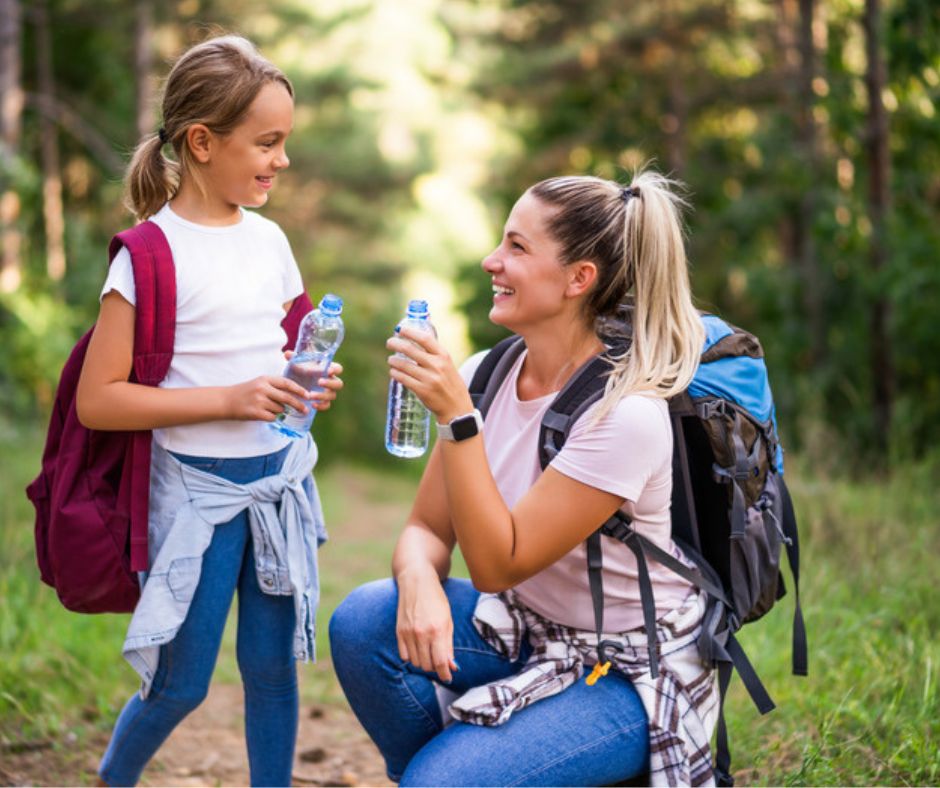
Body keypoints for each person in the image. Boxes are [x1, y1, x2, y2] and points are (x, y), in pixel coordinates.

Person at [330, 171, 722, 786]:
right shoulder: (487, 372)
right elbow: (425, 528)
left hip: (622, 672)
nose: (492, 261)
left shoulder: (626, 415)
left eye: (517, 247)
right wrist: (419, 583)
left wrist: (459, 420)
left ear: (578, 279)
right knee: (362, 622)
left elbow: (496, 565)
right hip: (521, 630)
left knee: (442, 783)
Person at [76, 35, 343, 787]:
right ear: (201, 142)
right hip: (198, 500)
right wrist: (228, 399)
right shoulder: (147, 256)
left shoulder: (272, 242)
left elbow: (290, 350)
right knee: (180, 684)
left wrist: (310, 383)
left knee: (273, 671)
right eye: (267, 142)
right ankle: (111, 780)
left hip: (277, 486)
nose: (281, 160)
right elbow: (101, 400)